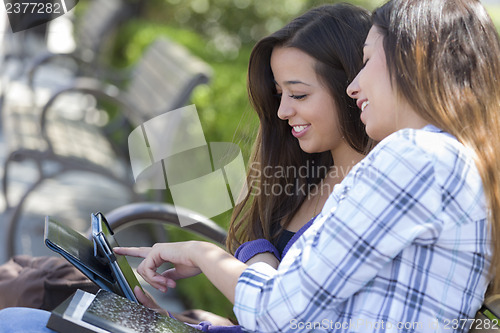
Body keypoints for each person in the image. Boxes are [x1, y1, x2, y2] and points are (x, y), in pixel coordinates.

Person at [112, 0, 500, 331]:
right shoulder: (448, 160)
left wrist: (203, 254)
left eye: (367, 63)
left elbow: (277, 312)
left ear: (409, 60)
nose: (355, 85)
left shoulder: (417, 158)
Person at [0, 2, 374, 332]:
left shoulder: (369, 198)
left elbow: (284, 314)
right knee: (35, 287)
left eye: (300, 94)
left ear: (352, 86)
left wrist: (204, 256)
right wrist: (177, 323)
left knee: (19, 316)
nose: (282, 112)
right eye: (279, 95)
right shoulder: (302, 177)